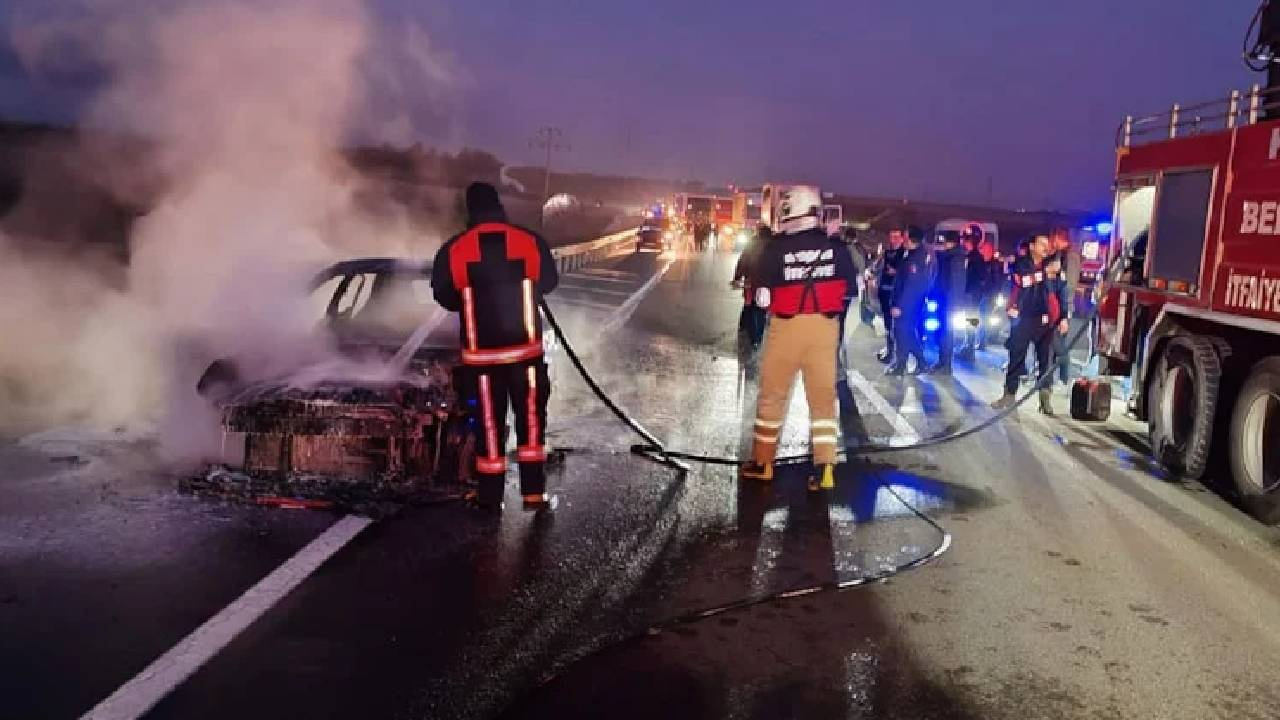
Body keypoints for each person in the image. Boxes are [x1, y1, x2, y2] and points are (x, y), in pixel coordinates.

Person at [432, 182, 560, 511]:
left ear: (469, 211)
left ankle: (489, 499)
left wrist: (478, 295)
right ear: (499, 206)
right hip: (526, 357)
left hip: (483, 362)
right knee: (531, 426)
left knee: (488, 428)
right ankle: (534, 496)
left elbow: (445, 296)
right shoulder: (528, 241)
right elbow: (548, 282)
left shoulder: (455, 249)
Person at [741, 185, 857, 491]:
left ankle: (763, 463)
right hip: (824, 331)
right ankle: (825, 469)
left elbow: (763, 299)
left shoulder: (775, 250)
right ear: (816, 212)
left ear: (788, 212)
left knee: (772, 396)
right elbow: (850, 290)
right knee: (822, 402)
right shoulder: (837, 248)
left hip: (786, 330)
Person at [991, 234, 1070, 414]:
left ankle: (1045, 399)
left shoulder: (1053, 268)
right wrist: (1044, 273)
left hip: (1045, 320)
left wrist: (1063, 316)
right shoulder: (1021, 264)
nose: (1045, 247)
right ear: (1032, 246)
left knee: (1045, 361)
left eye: (1047, 244)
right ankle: (1009, 395)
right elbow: (1022, 281)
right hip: (1024, 318)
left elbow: (1061, 292)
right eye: (1041, 244)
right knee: (1016, 357)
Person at [886, 226, 932, 376]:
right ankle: (918, 363)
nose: (902, 241)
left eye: (905, 238)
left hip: (908, 304)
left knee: (902, 333)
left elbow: (911, 286)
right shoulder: (913, 255)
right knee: (906, 333)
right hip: (910, 303)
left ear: (911, 240)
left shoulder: (916, 259)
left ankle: (901, 365)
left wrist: (900, 306)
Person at [931, 227, 971, 374]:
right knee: (942, 333)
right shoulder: (949, 257)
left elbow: (956, 282)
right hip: (945, 300)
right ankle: (942, 362)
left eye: (944, 242)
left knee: (947, 334)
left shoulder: (956, 258)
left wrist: (954, 304)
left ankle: (945, 365)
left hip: (949, 302)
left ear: (950, 243)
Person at [732, 224, 771, 347]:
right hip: (766, 282)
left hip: (751, 280)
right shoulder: (773, 246)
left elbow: (743, 261)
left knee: (751, 306)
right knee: (760, 309)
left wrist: (737, 277)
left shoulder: (752, 244)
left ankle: (748, 330)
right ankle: (756, 336)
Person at [876, 230, 907, 363]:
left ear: (901, 239)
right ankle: (889, 349)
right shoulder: (887, 252)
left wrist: (896, 272)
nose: (893, 240)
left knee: (894, 324)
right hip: (884, 290)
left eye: (896, 237)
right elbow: (879, 268)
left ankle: (894, 354)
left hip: (894, 293)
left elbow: (907, 273)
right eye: (891, 237)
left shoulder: (904, 254)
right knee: (887, 323)